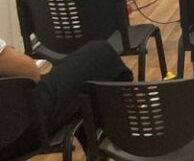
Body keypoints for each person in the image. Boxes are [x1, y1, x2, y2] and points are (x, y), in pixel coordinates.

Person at [0, 38, 132, 158]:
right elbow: (31, 72)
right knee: (101, 53)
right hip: (22, 129)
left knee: (79, 94)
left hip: (11, 136)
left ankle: (105, 151)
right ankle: (131, 146)